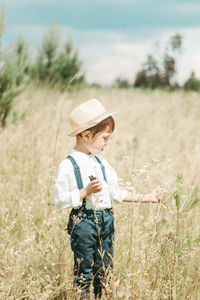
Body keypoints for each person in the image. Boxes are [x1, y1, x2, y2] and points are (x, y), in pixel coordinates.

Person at [53, 99, 162, 299]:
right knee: (84, 271)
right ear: (86, 135)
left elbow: (117, 193)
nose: (107, 143)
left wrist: (148, 197)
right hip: (84, 222)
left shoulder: (102, 164)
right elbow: (59, 199)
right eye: (104, 138)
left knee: (104, 270)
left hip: (106, 222)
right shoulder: (69, 165)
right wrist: (84, 192)